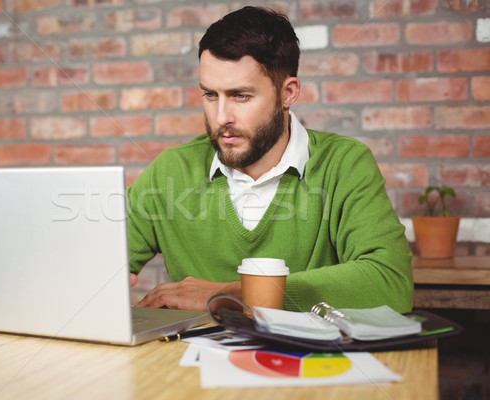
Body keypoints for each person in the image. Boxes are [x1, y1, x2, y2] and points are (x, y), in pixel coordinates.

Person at [126, 6, 413, 313]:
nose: (221, 117)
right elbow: (91, 266)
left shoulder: (344, 164)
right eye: (210, 95)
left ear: (288, 93)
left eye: (240, 96)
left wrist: (229, 294)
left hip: (305, 360)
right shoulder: (171, 170)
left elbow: (390, 282)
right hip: (185, 360)